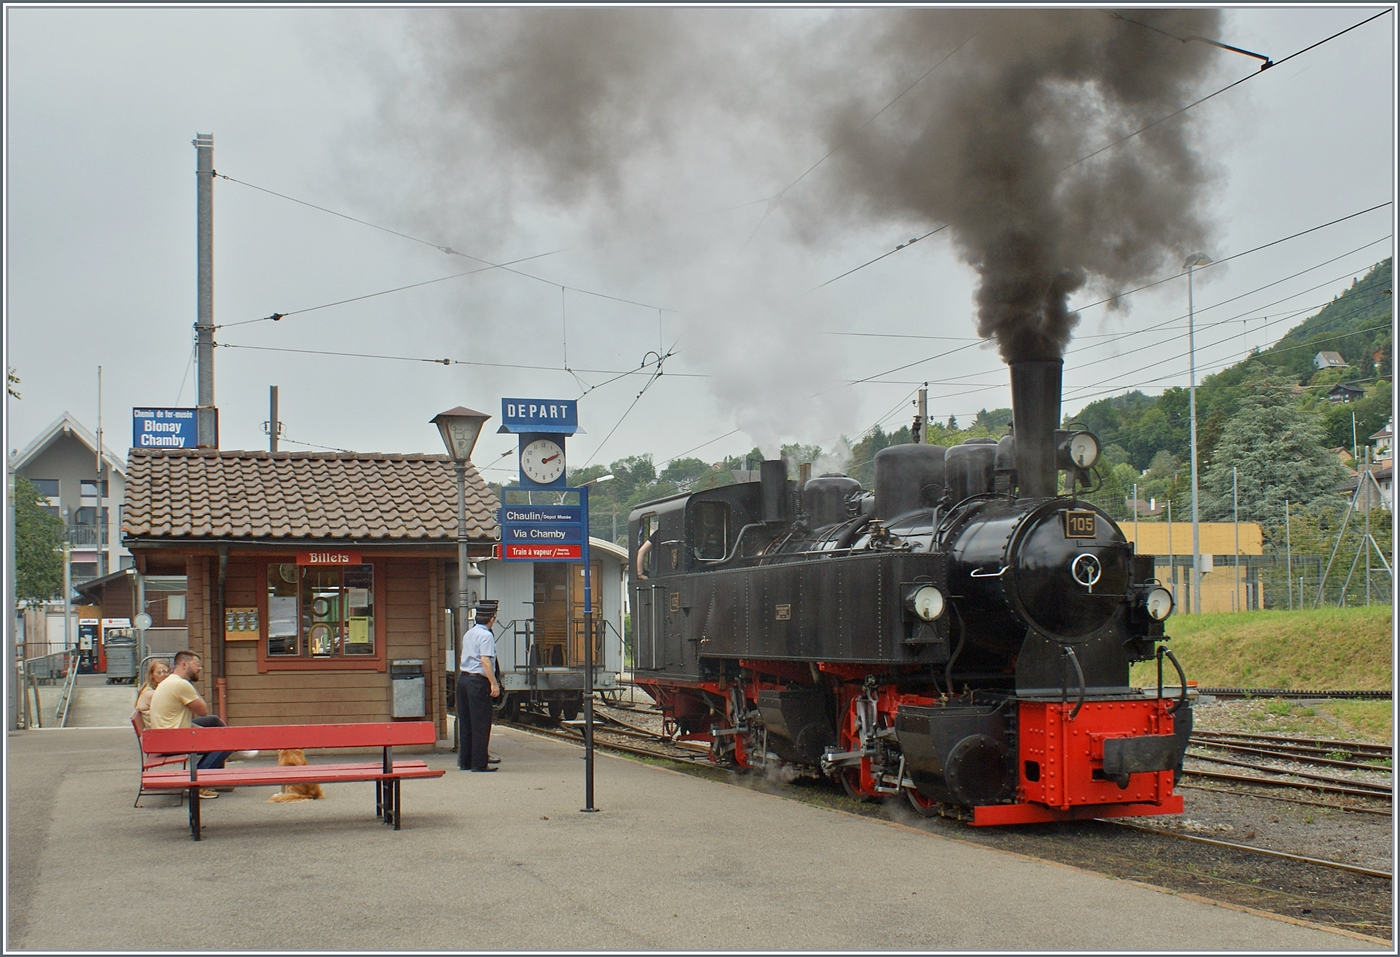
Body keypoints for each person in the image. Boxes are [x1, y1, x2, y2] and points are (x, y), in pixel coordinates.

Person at [147, 650, 243, 798]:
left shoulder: (171, 681)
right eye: (196, 665)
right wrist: (191, 687)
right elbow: (202, 710)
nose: (199, 669)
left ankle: (215, 778)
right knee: (229, 740)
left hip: (166, 735)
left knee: (213, 722)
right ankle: (198, 783)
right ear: (184, 665)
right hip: (172, 740)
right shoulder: (180, 684)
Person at [457, 601, 500, 772]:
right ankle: (479, 763)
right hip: (477, 682)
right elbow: (485, 660)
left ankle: (465, 761)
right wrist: (494, 684)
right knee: (481, 723)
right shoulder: (486, 635)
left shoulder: (469, 633)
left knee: (466, 722)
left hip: (464, 680)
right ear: (492, 619)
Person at [134, 658, 170, 724]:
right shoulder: (150, 693)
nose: (164, 675)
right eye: (159, 673)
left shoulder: (157, 688)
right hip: (154, 730)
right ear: (152, 675)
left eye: (166, 672)